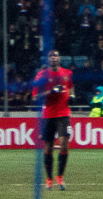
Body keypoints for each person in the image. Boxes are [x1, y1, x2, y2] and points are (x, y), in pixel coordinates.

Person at [31, 51, 74, 189]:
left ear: (59, 58)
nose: (54, 58)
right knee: (48, 148)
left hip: (63, 114)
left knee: (64, 144)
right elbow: (35, 97)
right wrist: (51, 92)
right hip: (48, 115)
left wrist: (72, 96)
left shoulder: (67, 73)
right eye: (51, 56)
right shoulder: (41, 75)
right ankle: (49, 179)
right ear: (48, 59)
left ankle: (60, 177)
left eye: (56, 56)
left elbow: (71, 87)